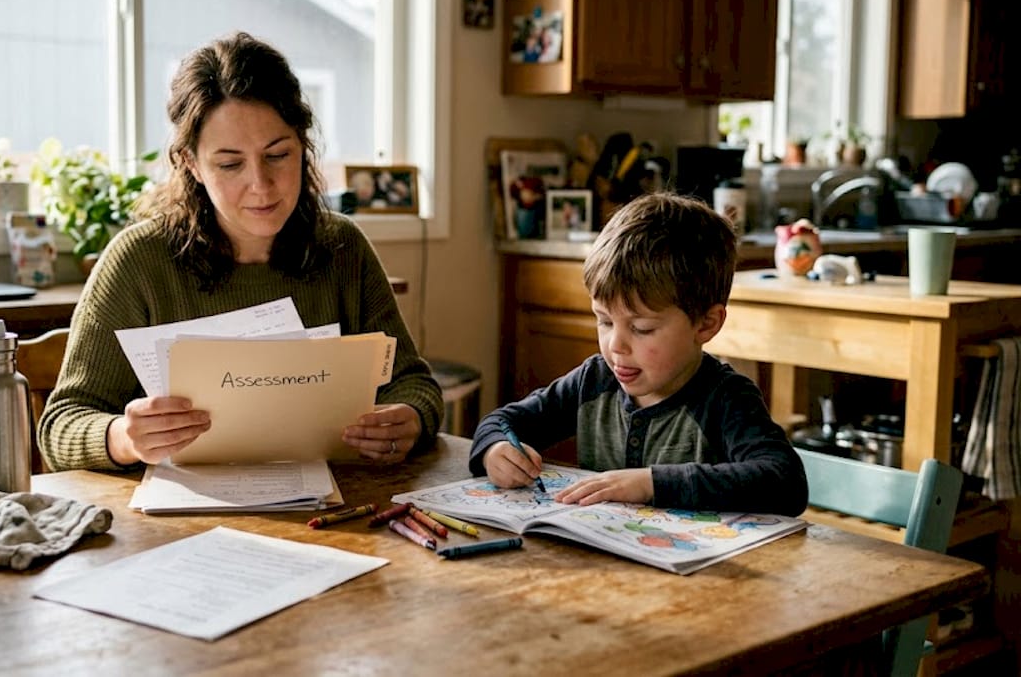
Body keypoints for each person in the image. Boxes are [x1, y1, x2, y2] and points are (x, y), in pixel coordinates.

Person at [39, 31, 444, 472]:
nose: (261, 185)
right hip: (179, 524)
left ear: (303, 147)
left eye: (278, 155)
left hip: (333, 512)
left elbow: (411, 383)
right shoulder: (138, 261)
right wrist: (122, 437)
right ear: (190, 164)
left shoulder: (342, 248)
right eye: (230, 164)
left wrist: (410, 419)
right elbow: (61, 426)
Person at [470, 193, 808, 516]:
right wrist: (496, 450)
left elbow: (785, 481)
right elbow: (500, 422)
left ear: (705, 324)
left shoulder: (726, 399)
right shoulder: (595, 380)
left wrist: (650, 483)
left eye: (642, 328)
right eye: (603, 320)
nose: (615, 345)